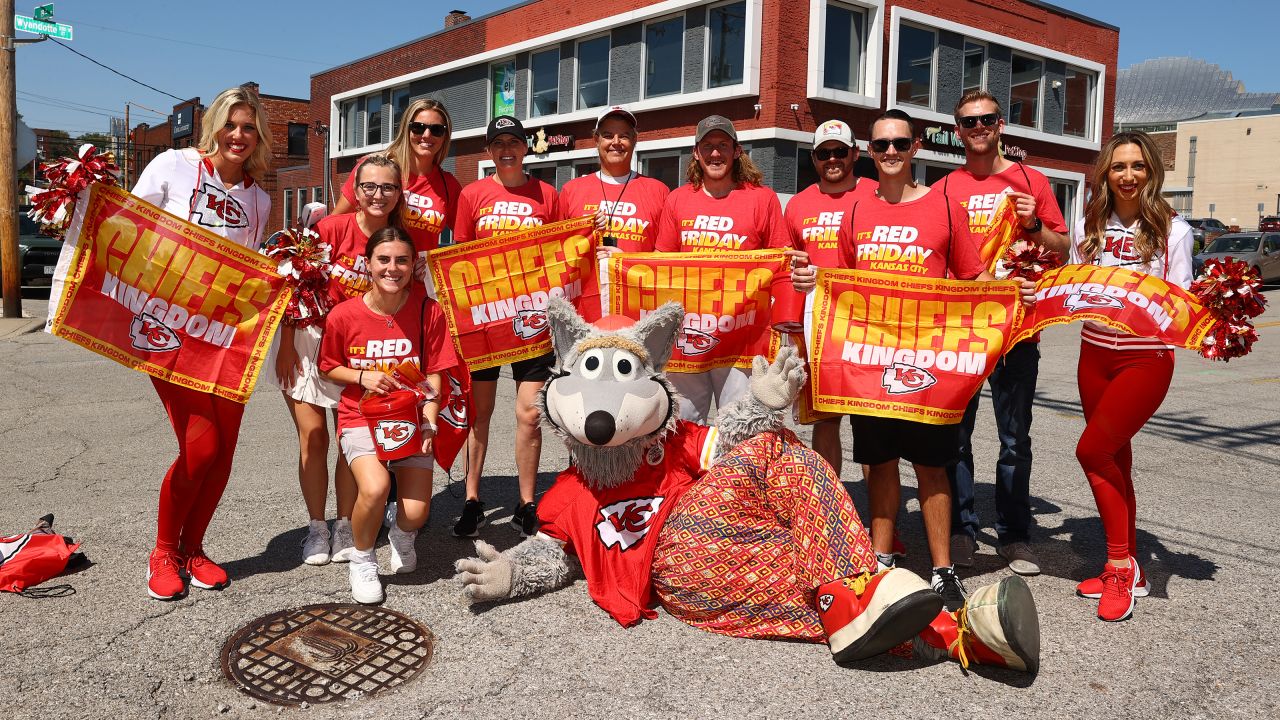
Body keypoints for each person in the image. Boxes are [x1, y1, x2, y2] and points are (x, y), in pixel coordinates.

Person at [791, 109, 1032, 612]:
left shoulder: (945, 208)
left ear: (915, 146)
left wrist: (1015, 292)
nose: (891, 152)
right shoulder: (856, 213)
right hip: (871, 363)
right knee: (878, 465)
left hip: (929, 366)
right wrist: (816, 286)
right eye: (881, 145)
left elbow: (972, 280)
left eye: (900, 143)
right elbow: (845, 285)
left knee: (932, 468)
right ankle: (881, 560)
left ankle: (943, 569)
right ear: (871, 153)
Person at [129, 86, 272, 600]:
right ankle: (163, 551)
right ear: (214, 125)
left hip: (226, 339)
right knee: (201, 445)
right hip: (168, 329)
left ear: (259, 137)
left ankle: (194, 549)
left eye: (248, 127)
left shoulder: (259, 198)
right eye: (230, 124)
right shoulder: (171, 165)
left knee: (225, 452)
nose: (238, 136)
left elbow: (249, 270)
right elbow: (130, 228)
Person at [938, 90, 1070, 576]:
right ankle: (960, 528)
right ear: (958, 131)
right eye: (969, 121)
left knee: (1015, 439)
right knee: (957, 436)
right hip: (962, 333)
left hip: (1018, 331)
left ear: (1000, 125)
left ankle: (1016, 535)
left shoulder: (1031, 181)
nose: (979, 127)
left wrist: (1032, 223)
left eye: (987, 119)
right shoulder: (945, 188)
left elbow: (1062, 249)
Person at [1069, 132, 1192, 622]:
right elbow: (1073, 285)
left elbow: (1180, 302)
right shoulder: (1089, 225)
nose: (1127, 175)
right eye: (1118, 166)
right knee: (1115, 457)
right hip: (1093, 354)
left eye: (1137, 166)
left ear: (1151, 172)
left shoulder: (1173, 230)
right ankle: (1126, 564)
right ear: (1105, 173)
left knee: (1092, 450)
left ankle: (1121, 566)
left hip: (1144, 359)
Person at [317, 226, 457, 604]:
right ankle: (362, 559)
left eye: (401, 260)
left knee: (415, 513)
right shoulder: (344, 315)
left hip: (413, 418)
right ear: (368, 264)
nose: (392, 268)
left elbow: (434, 374)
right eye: (383, 259)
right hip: (360, 417)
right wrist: (363, 376)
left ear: (414, 265)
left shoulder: (429, 311)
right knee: (376, 488)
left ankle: (402, 534)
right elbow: (328, 366)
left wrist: (429, 419)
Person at [279, 154, 406, 567]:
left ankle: (345, 524)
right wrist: (284, 343)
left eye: (387, 187)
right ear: (355, 189)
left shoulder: (397, 240)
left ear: (398, 193)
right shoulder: (329, 229)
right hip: (308, 340)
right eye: (369, 186)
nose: (377, 195)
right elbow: (291, 284)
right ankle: (317, 527)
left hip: (359, 353)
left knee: (348, 444)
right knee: (313, 437)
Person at [451, 115, 558, 539]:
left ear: (526, 148)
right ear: (489, 151)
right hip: (483, 323)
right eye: (499, 143)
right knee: (478, 415)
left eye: (514, 141)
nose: (507, 149)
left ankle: (526, 503)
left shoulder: (548, 194)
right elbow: (458, 257)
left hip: (531, 322)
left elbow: (563, 250)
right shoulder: (472, 195)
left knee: (530, 416)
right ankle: (472, 500)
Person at [654, 115, 791, 422]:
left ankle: (735, 473)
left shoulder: (763, 199)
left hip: (741, 337)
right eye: (708, 146)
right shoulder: (677, 199)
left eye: (723, 145)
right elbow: (661, 266)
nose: (715, 153)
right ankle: (693, 474)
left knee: (740, 425)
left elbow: (780, 264)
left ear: (737, 150)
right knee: (684, 426)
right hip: (688, 336)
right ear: (696, 152)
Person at [782, 119, 877, 476]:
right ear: (814, 158)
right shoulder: (798, 204)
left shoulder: (876, 193)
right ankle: (828, 507)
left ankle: (881, 523)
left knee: (872, 424)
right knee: (826, 420)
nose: (832, 159)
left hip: (868, 325)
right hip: (817, 328)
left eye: (840, 151)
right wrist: (796, 277)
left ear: (855, 153)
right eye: (824, 153)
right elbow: (786, 266)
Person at [334, 99, 461, 260]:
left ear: (445, 136)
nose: (426, 135)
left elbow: (466, 239)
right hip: (367, 278)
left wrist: (441, 263)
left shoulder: (448, 185)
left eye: (437, 130)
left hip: (419, 283)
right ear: (406, 130)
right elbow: (335, 224)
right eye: (418, 128)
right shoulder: (375, 169)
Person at [557, 105, 668, 252]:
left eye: (624, 136)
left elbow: (664, 254)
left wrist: (624, 262)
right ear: (596, 140)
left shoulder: (659, 191)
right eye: (608, 135)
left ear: (634, 140)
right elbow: (558, 249)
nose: (616, 142)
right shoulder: (571, 190)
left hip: (637, 275)